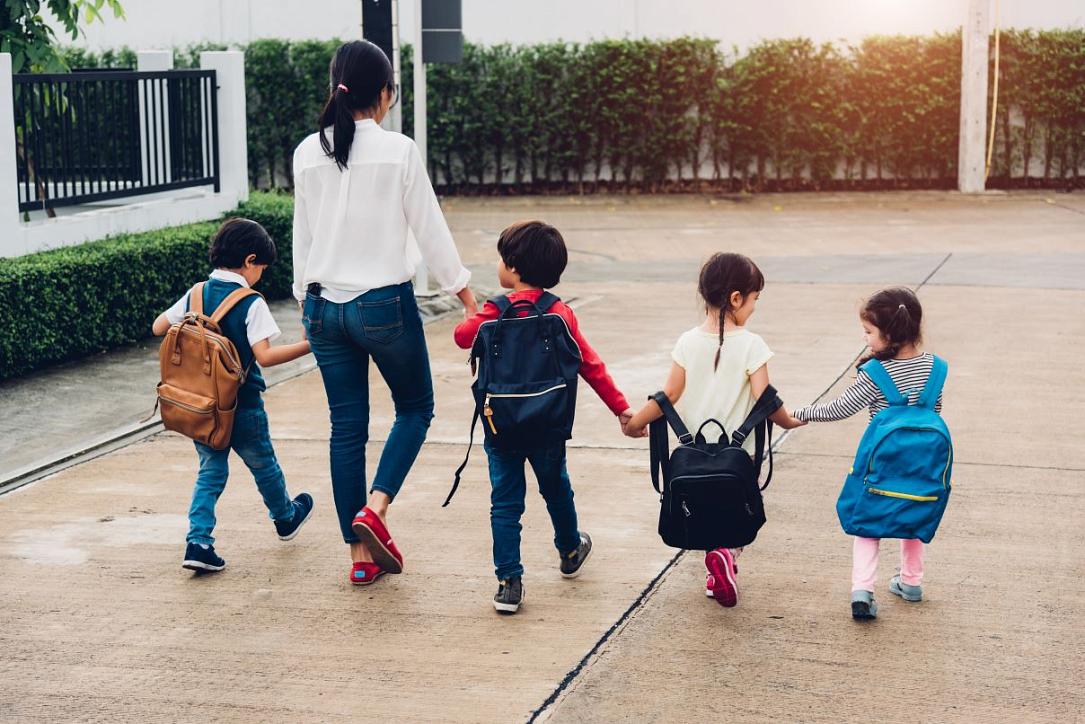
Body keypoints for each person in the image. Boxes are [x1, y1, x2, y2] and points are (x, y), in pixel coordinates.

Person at [292, 40, 478, 585]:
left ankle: (358, 559)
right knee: (416, 407)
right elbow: (430, 227)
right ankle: (376, 508)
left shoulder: (307, 152)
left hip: (324, 308)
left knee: (346, 428)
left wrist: (306, 302)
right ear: (385, 94)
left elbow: (302, 238)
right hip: (383, 307)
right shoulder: (398, 150)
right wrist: (465, 293)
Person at [454, 221, 634, 614]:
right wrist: (621, 408)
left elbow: (461, 337)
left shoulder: (493, 311)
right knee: (556, 487)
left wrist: (472, 312)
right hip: (548, 423)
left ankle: (509, 582)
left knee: (504, 501)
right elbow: (591, 365)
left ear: (514, 268)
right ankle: (570, 549)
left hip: (500, 424)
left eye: (502, 259)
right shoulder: (559, 313)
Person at [623, 252, 805, 607]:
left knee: (707, 503)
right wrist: (788, 419)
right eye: (754, 300)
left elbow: (668, 395)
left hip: (694, 453)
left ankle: (715, 567)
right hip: (739, 453)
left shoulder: (687, 342)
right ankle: (725, 557)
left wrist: (635, 423)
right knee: (734, 508)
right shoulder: (753, 344)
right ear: (736, 298)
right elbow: (764, 396)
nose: (753, 308)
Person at [152, 218, 314, 572]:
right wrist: (310, 346)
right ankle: (285, 517)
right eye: (262, 269)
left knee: (210, 471)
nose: (261, 276)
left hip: (201, 406)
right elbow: (267, 357)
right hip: (243, 405)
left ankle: (198, 541)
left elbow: (159, 327)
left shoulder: (196, 293)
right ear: (250, 259)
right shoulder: (251, 302)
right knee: (263, 465)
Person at [793, 287, 942, 620]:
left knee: (868, 521)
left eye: (868, 332)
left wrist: (801, 413)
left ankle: (862, 590)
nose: (865, 339)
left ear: (889, 334)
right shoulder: (936, 368)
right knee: (915, 511)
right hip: (921, 463)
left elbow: (840, 408)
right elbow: (936, 412)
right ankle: (911, 582)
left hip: (881, 462)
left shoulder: (877, 373)